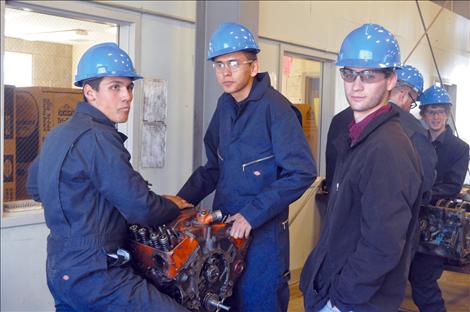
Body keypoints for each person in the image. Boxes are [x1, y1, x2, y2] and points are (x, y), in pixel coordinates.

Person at [27, 42, 191, 311]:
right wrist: (172, 205)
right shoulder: (99, 138)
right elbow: (143, 210)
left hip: (60, 266)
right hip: (97, 272)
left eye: (129, 86)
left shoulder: (59, 134)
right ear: (90, 93)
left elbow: (35, 187)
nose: (126, 96)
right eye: (115, 87)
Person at [176, 22, 317, 311]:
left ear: (253, 67)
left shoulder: (276, 109)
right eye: (218, 65)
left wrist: (251, 215)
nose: (225, 73)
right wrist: (180, 201)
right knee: (221, 301)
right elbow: (213, 167)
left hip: (263, 236)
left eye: (233, 63)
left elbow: (301, 171)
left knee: (258, 302)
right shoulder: (224, 105)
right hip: (223, 232)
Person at [300, 24, 423, 312]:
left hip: (355, 302)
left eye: (369, 76)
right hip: (333, 289)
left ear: (391, 79)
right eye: (349, 73)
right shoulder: (355, 135)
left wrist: (341, 299)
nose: (356, 85)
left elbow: (383, 243)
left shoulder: (388, 149)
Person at [409, 85, 469, 312]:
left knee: (423, 280)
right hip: (409, 218)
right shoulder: (412, 141)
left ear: (447, 114)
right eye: (431, 112)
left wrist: (420, 192)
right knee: (397, 277)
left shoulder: (459, 148)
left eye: (441, 112)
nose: (436, 117)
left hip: (435, 226)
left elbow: (452, 186)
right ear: (423, 114)